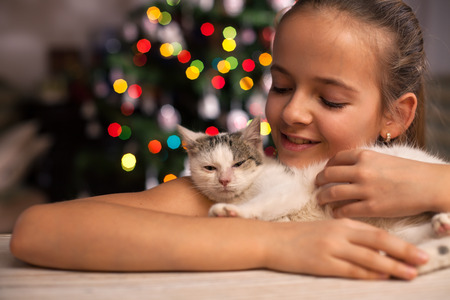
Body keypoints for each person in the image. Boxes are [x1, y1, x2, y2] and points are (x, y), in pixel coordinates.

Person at [9, 0, 450, 280]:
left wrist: (439, 185)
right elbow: (36, 231)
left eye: (331, 100)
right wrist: (277, 242)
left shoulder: (425, 189)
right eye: (280, 87)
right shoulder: (242, 189)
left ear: (395, 116)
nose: (292, 112)